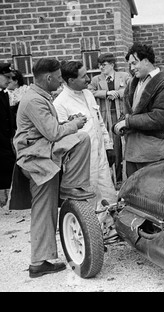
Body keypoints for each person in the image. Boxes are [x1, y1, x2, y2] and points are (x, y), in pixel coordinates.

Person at [11, 58, 94, 278]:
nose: (60, 81)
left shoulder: (37, 95)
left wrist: (69, 123)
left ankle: (40, 262)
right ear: (48, 77)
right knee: (81, 138)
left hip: (40, 155)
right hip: (36, 159)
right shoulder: (34, 100)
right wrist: (74, 124)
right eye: (58, 77)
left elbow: (51, 128)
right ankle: (71, 188)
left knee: (43, 210)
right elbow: (54, 133)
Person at [53, 61, 117, 236]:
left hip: (100, 154)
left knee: (107, 192)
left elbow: (99, 122)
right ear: (70, 80)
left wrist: (108, 146)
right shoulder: (60, 104)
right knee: (88, 197)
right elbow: (62, 137)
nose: (88, 79)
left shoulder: (88, 94)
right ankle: (91, 235)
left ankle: (110, 229)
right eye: (83, 76)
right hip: (82, 161)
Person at [113, 42, 164, 177]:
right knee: (134, 194)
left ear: (145, 61)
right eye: (130, 64)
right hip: (132, 151)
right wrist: (118, 125)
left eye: (134, 63)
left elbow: (159, 118)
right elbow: (127, 113)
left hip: (151, 152)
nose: (132, 68)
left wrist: (127, 122)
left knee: (152, 194)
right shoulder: (133, 83)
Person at [88, 53, 131, 183]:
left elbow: (131, 88)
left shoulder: (124, 76)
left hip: (121, 116)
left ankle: (125, 177)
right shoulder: (96, 79)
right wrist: (105, 93)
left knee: (124, 146)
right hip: (106, 116)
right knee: (112, 147)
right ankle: (114, 178)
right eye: (99, 65)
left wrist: (118, 93)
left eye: (104, 65)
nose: (101, 67)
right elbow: (90, 91)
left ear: (112, 65)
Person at [0, 63, 16, 206]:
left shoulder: (4, 94)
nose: (9, 80)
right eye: (6, 77)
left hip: (5, 141)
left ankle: (6, 201)